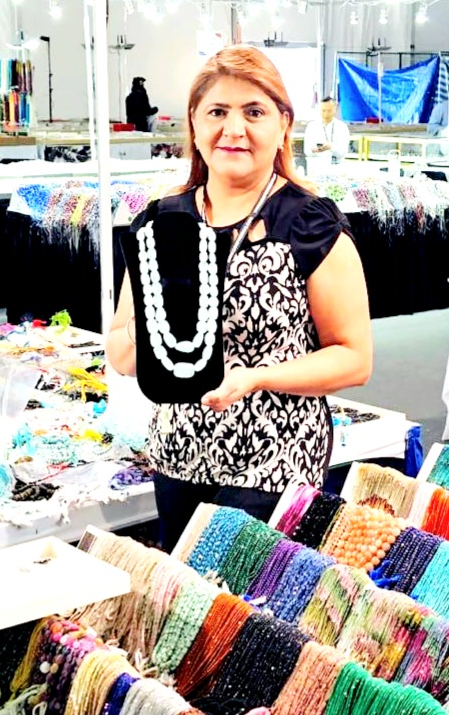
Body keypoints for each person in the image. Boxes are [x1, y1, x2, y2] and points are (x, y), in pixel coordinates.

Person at [108, 46, 373, 552]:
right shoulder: (160, 223)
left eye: (253, 112)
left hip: (274, 463)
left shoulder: (309, 224)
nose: (234, 129)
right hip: (177, 457)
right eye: (217, 112)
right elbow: (121, 354)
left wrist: (257, 377)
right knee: (184, 592)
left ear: (283, 125)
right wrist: (161, 314)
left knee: (244, 598)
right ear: (193, 122)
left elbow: (354, 358)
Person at [303, 96, 350, 168]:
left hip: (336, 167)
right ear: (319, 109)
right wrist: (314, 150)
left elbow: (343, 152)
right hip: (316, 166)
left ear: (335, 109)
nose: (326, 114)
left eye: (329, 110)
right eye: (323, 110)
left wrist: (331, 147)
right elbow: (307, 151)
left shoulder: (342, 127)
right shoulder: (311, 126)